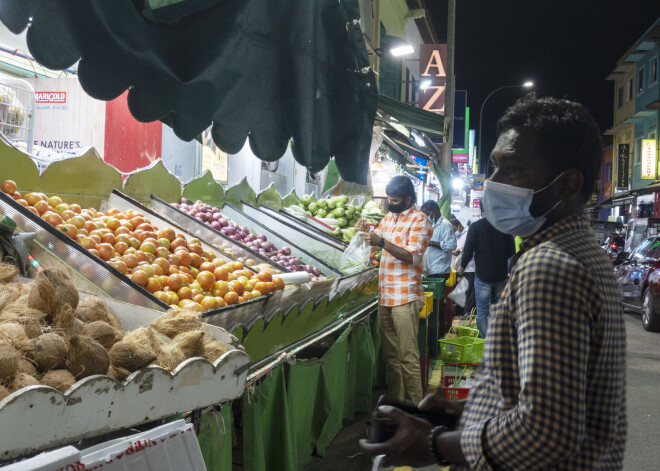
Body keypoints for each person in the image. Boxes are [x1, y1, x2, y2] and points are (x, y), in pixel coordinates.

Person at [360, 95, 626, 469]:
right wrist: (465, 411)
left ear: (568, 185)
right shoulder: (583, 252)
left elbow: (547, 430)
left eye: (514, 169)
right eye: (495, 167)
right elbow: (547, 397)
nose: (494, 183)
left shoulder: (549, 266)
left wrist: (435, 443)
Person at [361, 176, 432, 403]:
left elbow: (412, 256)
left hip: (405, 297)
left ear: (408, 199)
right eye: (388, 199)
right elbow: (375, 239)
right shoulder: (389, 218)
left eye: (394, 200)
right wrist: (364, 232)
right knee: (391, 357)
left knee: (408, 357)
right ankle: (396, 407)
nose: (389, 203)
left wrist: (381, 242)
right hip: (385, 297)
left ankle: (416, 412)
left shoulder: (420, 220)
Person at [457, 200, 515, 338]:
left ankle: (484, 343)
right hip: (501, 276)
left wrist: (460, 272)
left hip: (483, 276)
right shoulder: (504, 227)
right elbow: (511, 252)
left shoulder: (475, 227)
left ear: (480, 210)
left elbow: (468, 252)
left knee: (482, 311)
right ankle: (496, 340)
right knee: (497, 310)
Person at [420, 201, 457, 281]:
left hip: (440, 271)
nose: (424, 217)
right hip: (431, 271)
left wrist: (432, 243)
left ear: (432, 212)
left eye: (425, 214)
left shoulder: (445, 224)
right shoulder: (433, 225)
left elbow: (451, 245)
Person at [452, 220, 476, 318]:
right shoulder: (458, 235)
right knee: (460, 289)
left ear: (460, 226)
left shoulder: (468, 233)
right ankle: (460, 310)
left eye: (454, 228)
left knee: (468, 290)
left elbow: (469, 247)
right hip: (459, 267)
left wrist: (460, 250)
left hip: (469, 267)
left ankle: (469, 312)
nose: (454, 231)